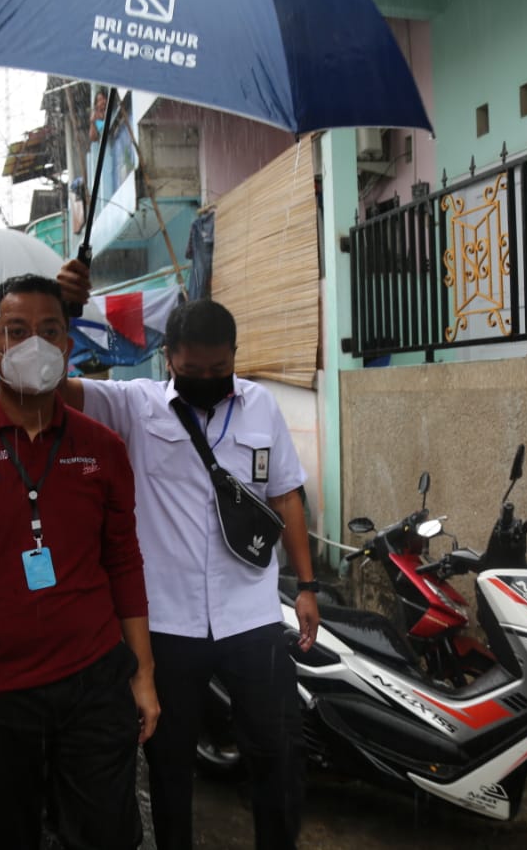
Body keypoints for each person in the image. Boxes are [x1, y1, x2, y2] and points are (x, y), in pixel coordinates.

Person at [56, 258, 321, 850]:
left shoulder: (261, 407)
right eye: (194, 368)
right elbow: (51, 386)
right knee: (170, 765)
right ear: (169, 358)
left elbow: (287, 494)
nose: (209, 377)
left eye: (220, 368)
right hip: (168, 627)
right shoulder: (135, 405)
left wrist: (306, 586)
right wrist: (64, 311)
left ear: (234, 356)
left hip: (252, 616)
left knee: (278, 753)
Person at [0, 274, 160, 850]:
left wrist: (142, 674)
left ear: (68, 347)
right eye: (16, 331)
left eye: (49, 331)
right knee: (5, 835)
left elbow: (124, 563)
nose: (34, 344)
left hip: (92, 681)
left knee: (106, 836)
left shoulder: (103, 449)